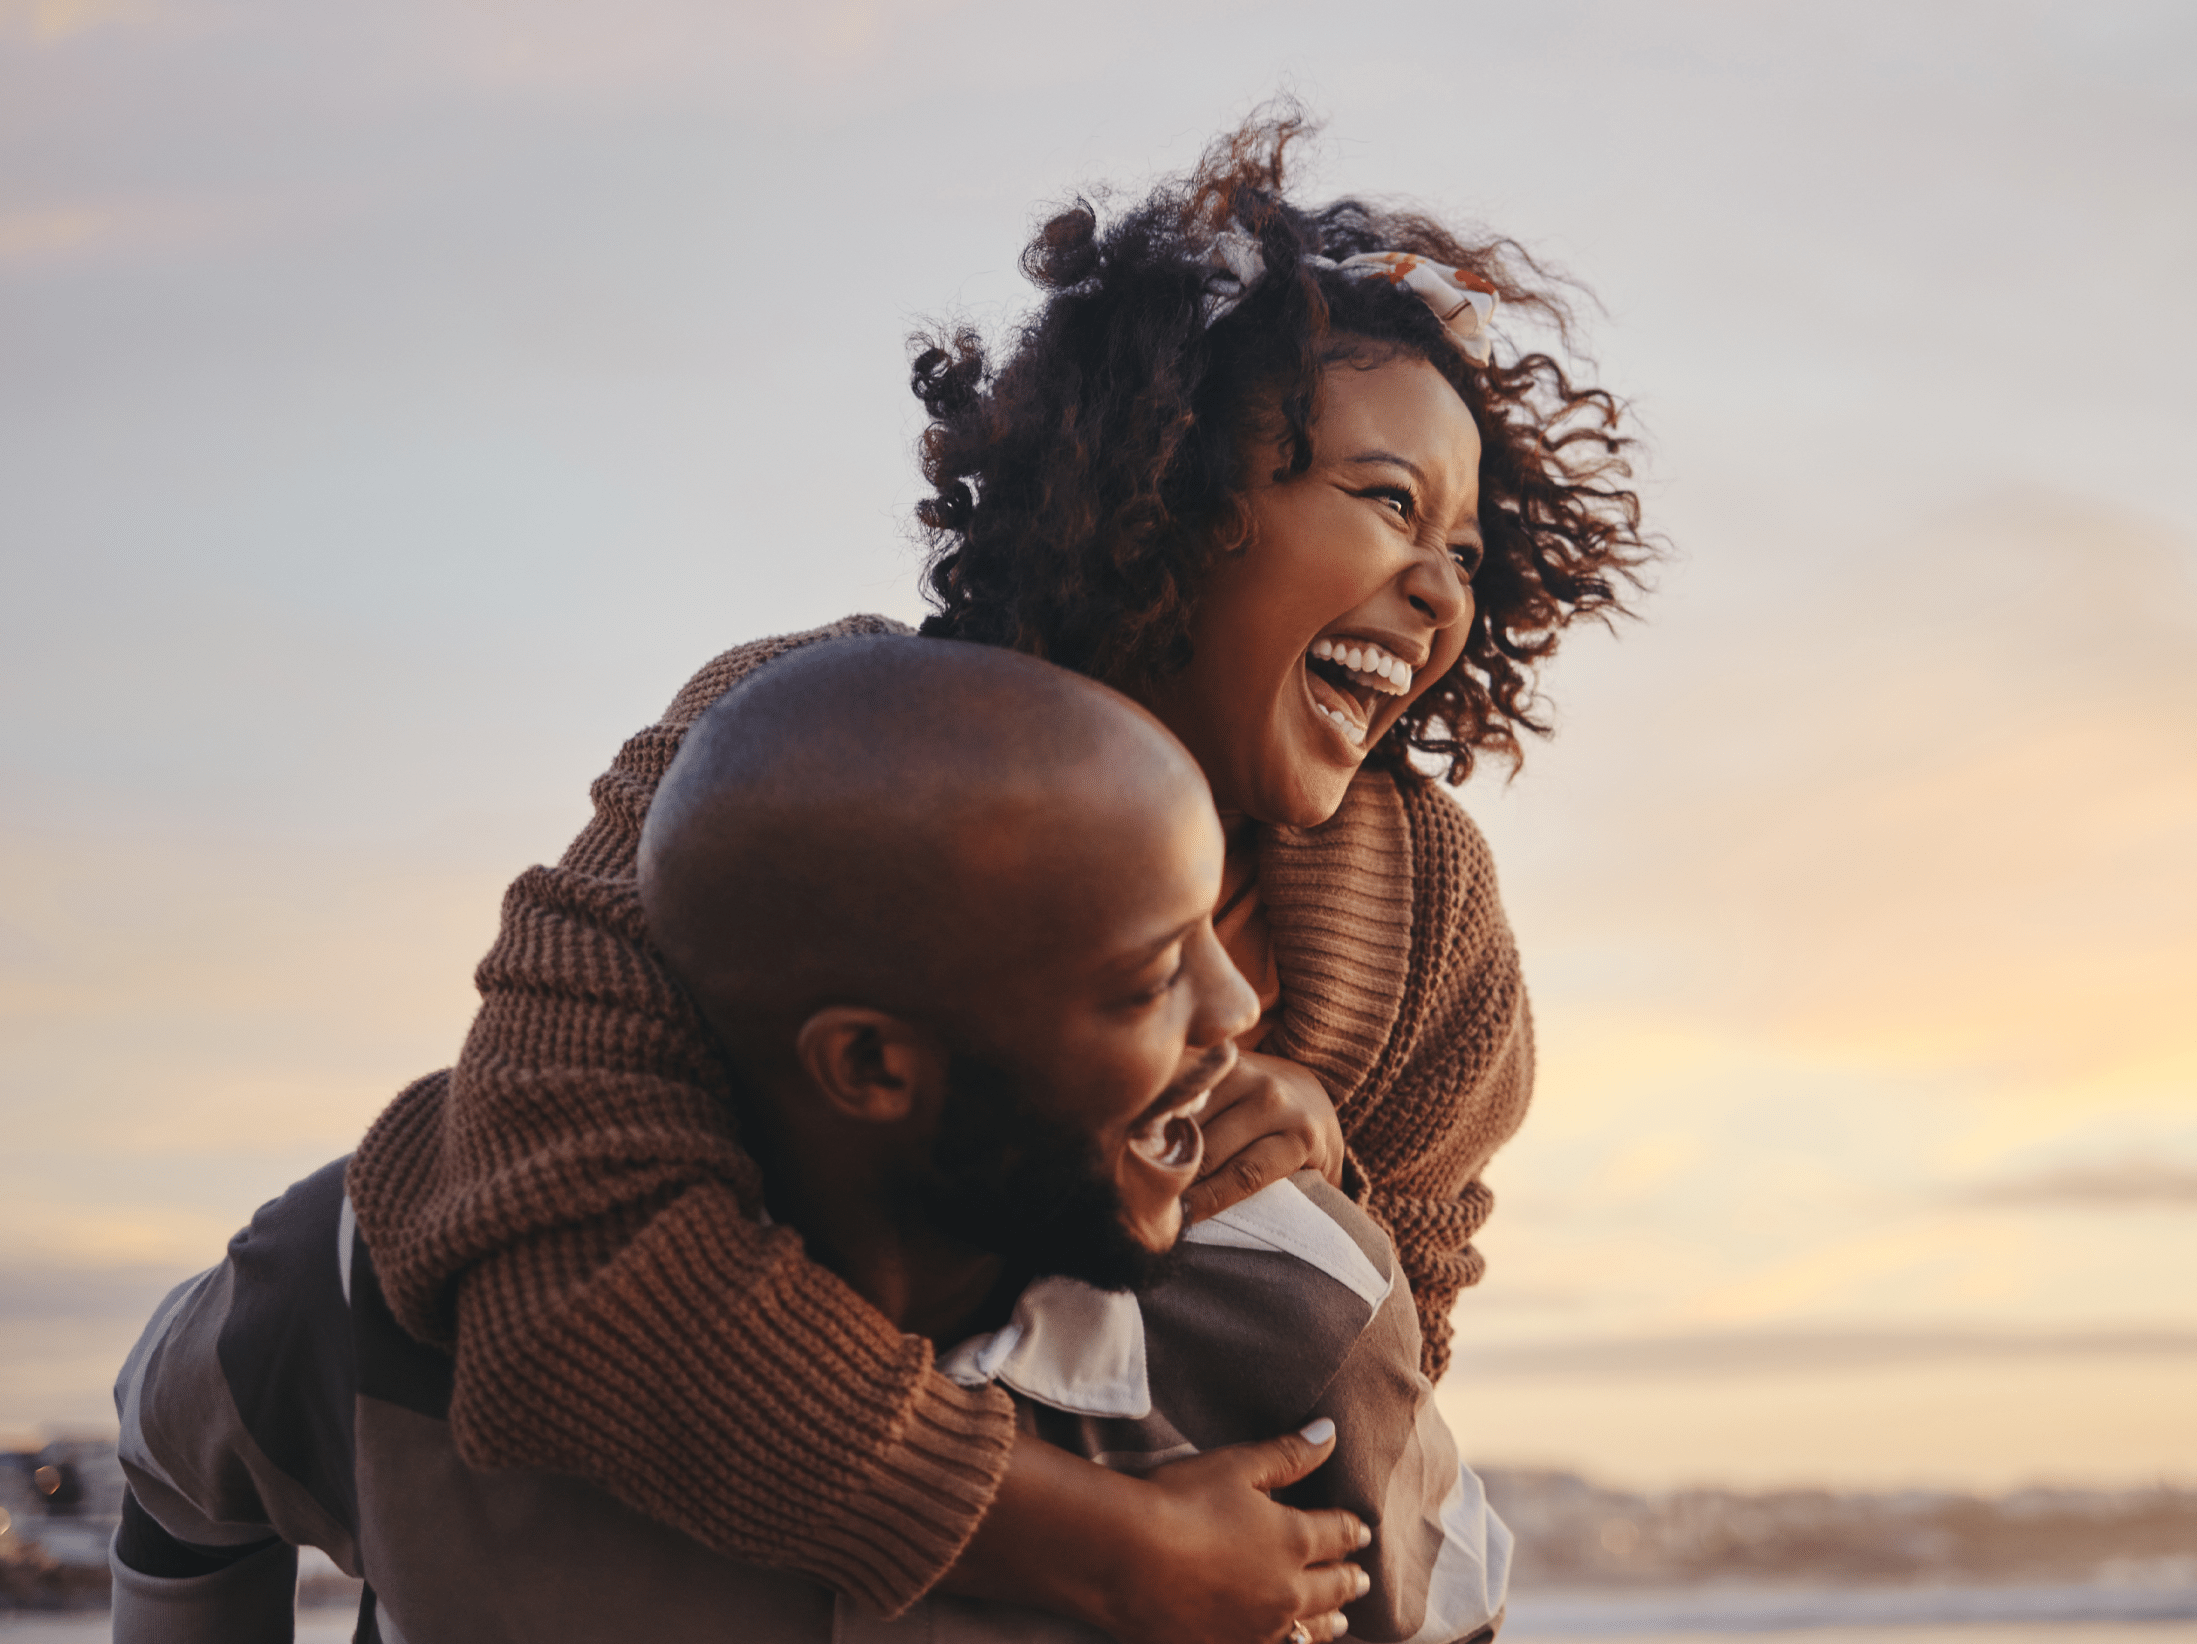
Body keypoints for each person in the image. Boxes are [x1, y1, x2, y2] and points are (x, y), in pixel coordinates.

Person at [343, 108, 1647, 1643]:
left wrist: (1330, 1186)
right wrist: (1097, 1546)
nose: (1439, 591)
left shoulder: (1425, 914)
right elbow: (562, 1250)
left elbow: (1382, 1379)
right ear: (1174, 489)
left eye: (1471, 552)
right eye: (1384, 501)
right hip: (639, 1558)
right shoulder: (800, 751)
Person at [111, 638, 1507, 1644]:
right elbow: (174, 1468)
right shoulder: (385, 1278)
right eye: (1148, 980)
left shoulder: (1298, 1311)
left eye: (1221, 923)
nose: (1244, 1010)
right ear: (871, 1062)